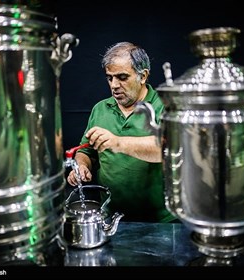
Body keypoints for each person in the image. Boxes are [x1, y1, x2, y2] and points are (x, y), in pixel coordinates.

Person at [67, 42, 175, 223]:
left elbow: (169, 150)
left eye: (122, 77)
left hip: (160, 221)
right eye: (110, 78)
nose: (114, 85)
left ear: (143, 76)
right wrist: (82, 165)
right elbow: (86, 151)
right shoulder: (100, 109)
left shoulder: (164, 106)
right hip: (111, 217)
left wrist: (117, 143)